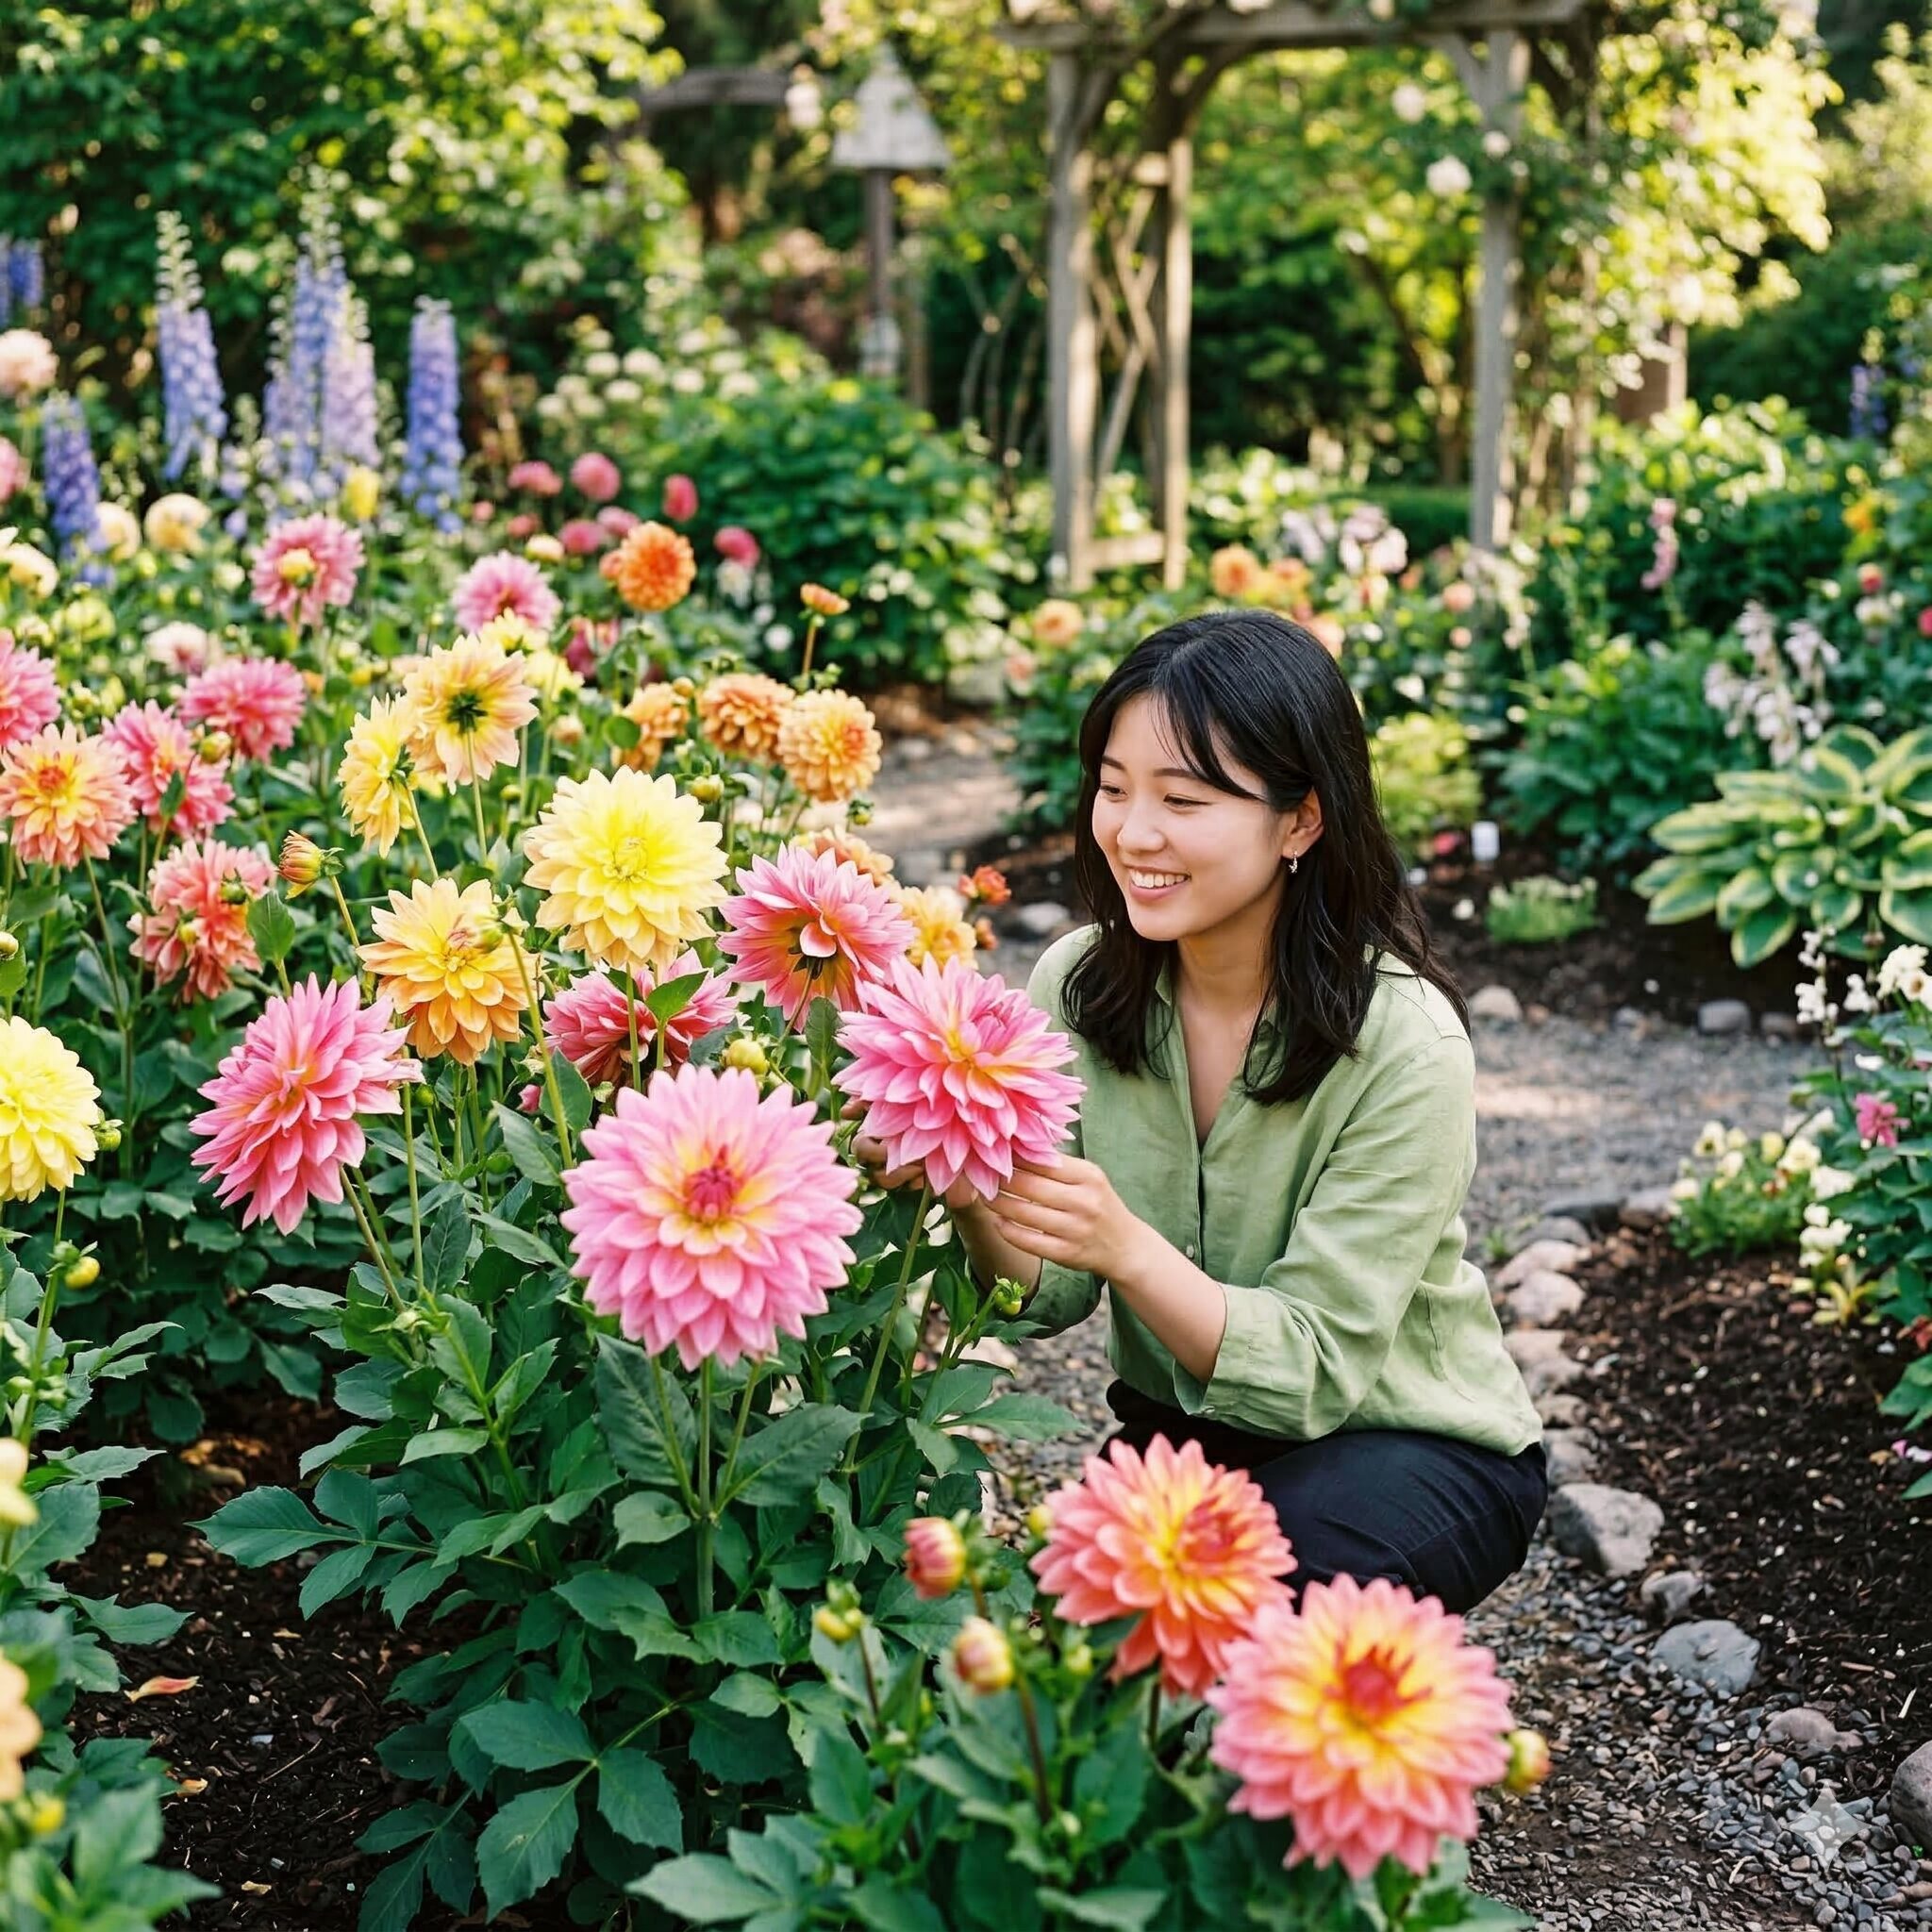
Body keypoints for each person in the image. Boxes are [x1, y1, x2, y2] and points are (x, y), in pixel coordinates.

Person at [857, 608, 1545, 1614]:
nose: (1134, 833)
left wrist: (1128, 1247)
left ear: (1300, 819)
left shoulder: (1404, 1044)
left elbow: (1313, 1368)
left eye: (1182, 798)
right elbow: (1040, 1299)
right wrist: (963, 1178)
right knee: (1066, 1657)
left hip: (1405, 1439)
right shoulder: (1078, 985)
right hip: (1187, 1436)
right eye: (1113, 788)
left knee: (1256, 1593)